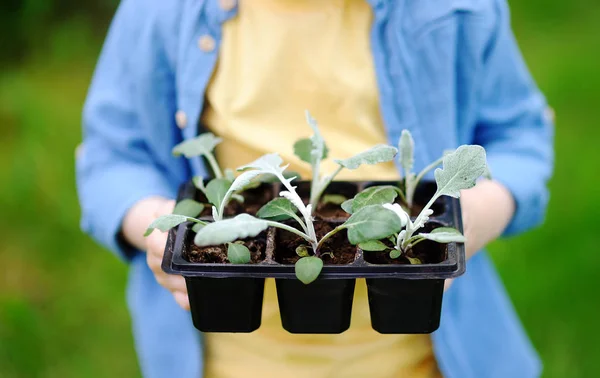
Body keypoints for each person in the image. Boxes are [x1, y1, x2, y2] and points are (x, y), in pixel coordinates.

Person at [76, 0, 554, 377]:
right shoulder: (159, 11)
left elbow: (520, 134)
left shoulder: (455, 8)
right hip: (231, 361)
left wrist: (477, 211)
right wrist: (153, 223)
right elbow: (113, 156)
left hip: (424, 359)